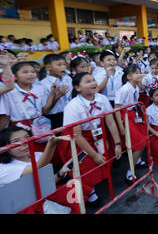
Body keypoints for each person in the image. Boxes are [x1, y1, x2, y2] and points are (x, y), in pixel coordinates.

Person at [61, 73, 122, 205]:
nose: (93, 83)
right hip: (78, 138)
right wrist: (94, 155)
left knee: (105, 156)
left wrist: (117, 143)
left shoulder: (102, 99)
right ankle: (89, 192)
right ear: (77, 88)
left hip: (97, 134)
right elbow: (76, 135)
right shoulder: (72, 106)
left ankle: (99, 179)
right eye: (88, 81)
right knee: (85, 165)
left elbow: (110, 122)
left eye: (93, 80)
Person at [0, 126, 90, 214]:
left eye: (27, 138)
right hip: (20, 207)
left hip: (40, 197)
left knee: (73, 187)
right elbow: (36, 169)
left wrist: (62, 171)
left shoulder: (38, 155)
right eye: (16, 142)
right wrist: (51, 145)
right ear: (5, 147)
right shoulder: (3, 168)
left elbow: (45, 187)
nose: (24, 143)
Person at [0, 62, 59, 156]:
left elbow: (44, 110)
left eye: (33, 71)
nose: (30, 74)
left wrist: (52, 94)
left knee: (46, 154)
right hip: (20, 129)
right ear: (15, 76)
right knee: (29, 155)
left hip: (40, 126)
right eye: (25, 72)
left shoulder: (39, 88)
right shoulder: (10, 92)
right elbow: (5, 116)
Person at [113, 65, 148, 184]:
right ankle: (129, 172)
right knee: (139, 143)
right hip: (125, 115)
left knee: (143, 138)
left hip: (133, 114)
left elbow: (142, 88)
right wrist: (121, 126)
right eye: (136, 73)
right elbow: (117, 108)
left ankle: (136, 160)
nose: (139, 74)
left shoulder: (136, 86)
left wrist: (140, 80)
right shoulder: (124, 89)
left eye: (140, 72)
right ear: (128, 77)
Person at [40, 54, 72, 130]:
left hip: (70, 113)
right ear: (48, 67)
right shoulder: (43, 84)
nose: (63, 67)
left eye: (64, 64)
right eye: (59, 65)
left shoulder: (68, 79)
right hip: (55, 117)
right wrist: (58, 95)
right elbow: (45, 110)